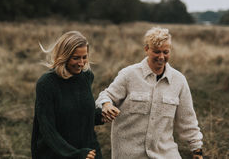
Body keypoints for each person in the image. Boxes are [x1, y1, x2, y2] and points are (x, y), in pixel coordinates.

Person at [96, 27, 204, 159]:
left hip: (165, 153)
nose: (161, 57)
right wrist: (106, 105)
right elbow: (105, 96)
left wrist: (196, 149)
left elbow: (188, 120)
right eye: (156, 52)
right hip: (129, 154)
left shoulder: (179, 81)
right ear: (146, 49)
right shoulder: (129, 74)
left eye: (166, 52)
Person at [31, 31, 103, 159]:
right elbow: (47, 129)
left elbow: (81, 115)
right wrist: (74, 154)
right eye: (76, 58)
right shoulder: (46, 83)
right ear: (63, 56)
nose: (81, 63)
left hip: (87, 152)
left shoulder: (86, 76)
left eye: (84, 57)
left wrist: (103, 114)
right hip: (56, 153)